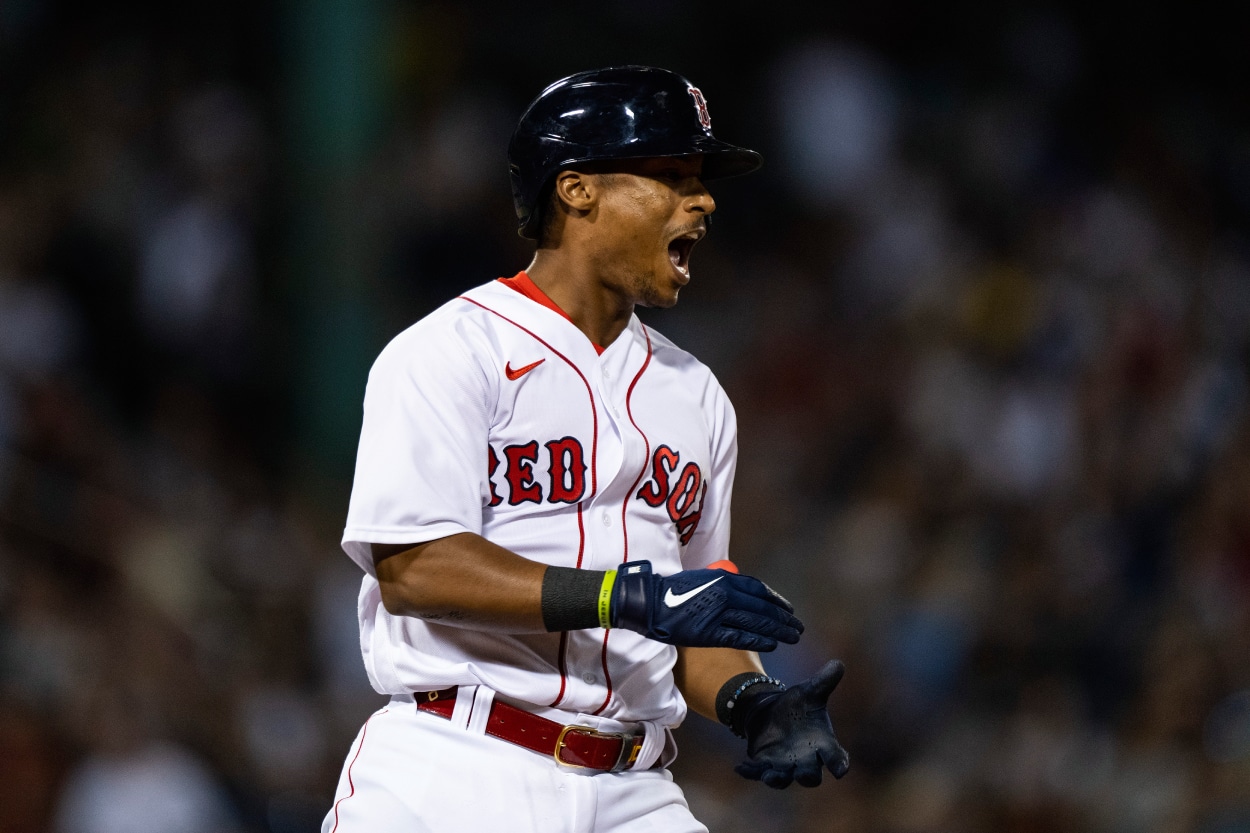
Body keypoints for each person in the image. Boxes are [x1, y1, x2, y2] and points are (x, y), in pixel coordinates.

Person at [322, 65, 849, 833]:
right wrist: (625, 594)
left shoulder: (696, 394)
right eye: (671, 174)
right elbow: (415, 566)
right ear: (577, 189)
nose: (701, 200)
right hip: (459, 763)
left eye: (699, 179)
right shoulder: (449, 351)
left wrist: (752, 697)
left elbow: (691, 610)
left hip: (635, 787)